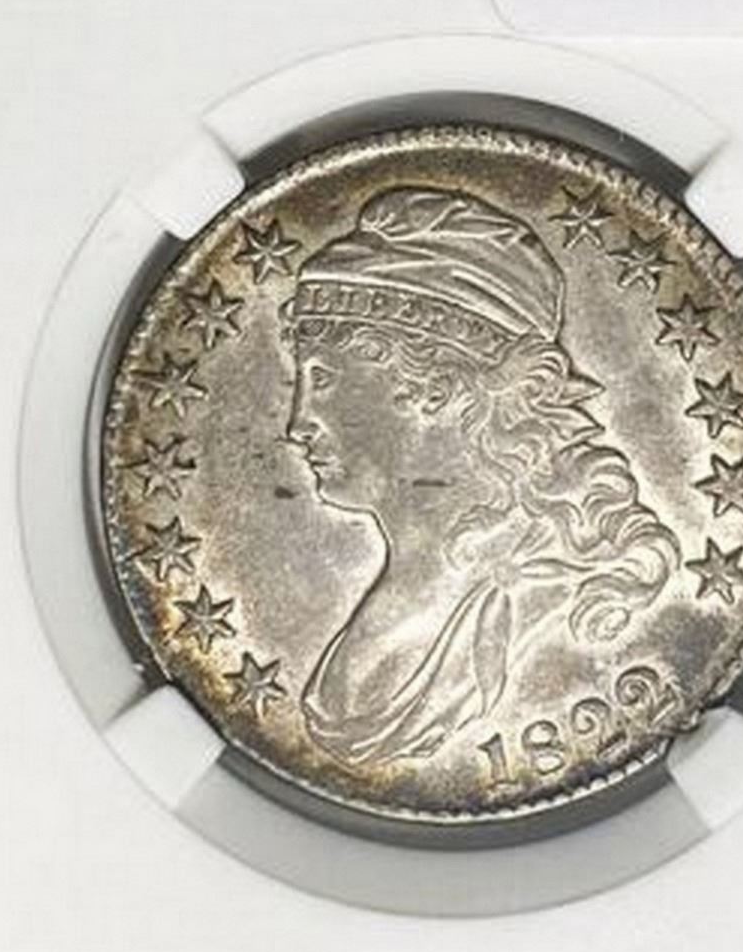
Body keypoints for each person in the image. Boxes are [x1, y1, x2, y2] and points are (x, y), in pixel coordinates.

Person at [283, 186, 680, 768]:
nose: (297, 424)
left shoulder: (563, 600)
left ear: (438, 387)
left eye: (324, 380)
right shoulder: (387, 608)